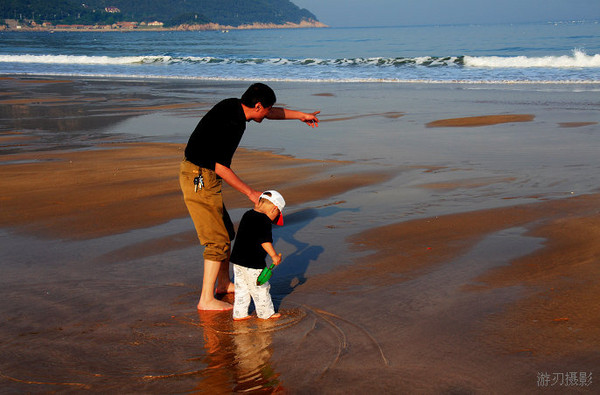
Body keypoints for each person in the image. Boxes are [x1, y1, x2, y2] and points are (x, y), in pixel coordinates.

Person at [179, 83, 319, 311]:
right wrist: (251, 193)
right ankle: (206, 299)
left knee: (226, 231)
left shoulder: (234, 106)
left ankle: (223, 284)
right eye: (267, 108)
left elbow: (271, 112)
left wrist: (301, 116)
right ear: (257, 105)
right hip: (199, 176)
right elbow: (220, 166)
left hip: (204, 173)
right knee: (216, 239)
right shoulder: (232, 124)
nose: (269, 113)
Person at [231, 190, 285, 320]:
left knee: (241, 289)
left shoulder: (248, 214)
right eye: (277, 214)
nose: (275, 218)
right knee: (261, 289)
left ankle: (239, 314)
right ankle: (266, 314)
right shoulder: (264, 220)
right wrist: (274, 256)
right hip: (253, 263)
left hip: (238, 261)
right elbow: (264, 240)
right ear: (274, 209)